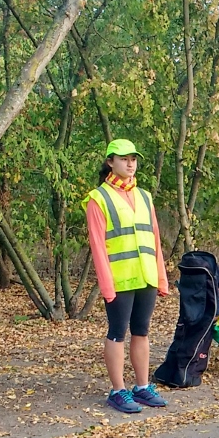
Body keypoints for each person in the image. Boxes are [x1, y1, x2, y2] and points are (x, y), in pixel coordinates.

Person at [84, 139, 170, 414]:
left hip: (145, 275)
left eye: (133, 158)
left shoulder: (144, 196)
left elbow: (155, 239)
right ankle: (118, 390)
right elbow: (98, 245)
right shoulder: (99, 198)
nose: (130, 163)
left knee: (142, 331)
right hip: (119, 279)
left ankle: (142, 387)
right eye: (123, 158)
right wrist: (106, 284)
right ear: (110, 162)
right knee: (117, 333)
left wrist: (161, 276)